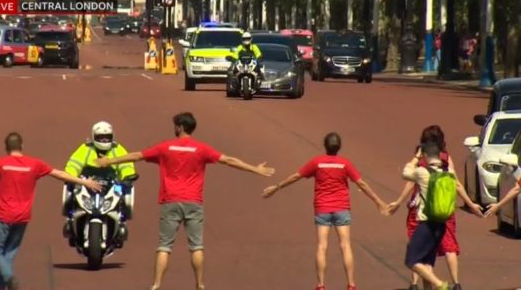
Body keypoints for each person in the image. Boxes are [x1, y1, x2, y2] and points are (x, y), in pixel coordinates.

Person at [95, 112, 275, 290]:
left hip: (170, 201)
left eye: (175, 125)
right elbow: (228, 160)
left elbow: (136, 156)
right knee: (196, 246)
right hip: (193, 202)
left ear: (180, 127)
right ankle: (199, 284)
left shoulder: (165, 148)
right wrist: (255, 169)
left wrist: (109, 161)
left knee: (164, 246)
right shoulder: (201, 149)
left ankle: (157, 284)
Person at [0, 132, 101, 290]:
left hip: (3, 216)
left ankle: (10, 279)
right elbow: (59, 174)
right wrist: (84, 182)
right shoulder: (34, 164)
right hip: (23, 218)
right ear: (22, 145)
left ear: (6, 147)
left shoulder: (1, 164)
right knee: (7, 256)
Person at [261, 132, 389, 290]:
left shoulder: (317, 162)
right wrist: (378, 201)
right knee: (345, 245)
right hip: (341, 208)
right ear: (339, 146)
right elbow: (361, 184)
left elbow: (296, 176)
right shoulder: (344, 164)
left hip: (322, 208)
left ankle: (321, 285)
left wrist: (277, 187)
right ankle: (351, 284)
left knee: (322, 246)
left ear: (325, 145)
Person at [388, 125, 483, 290]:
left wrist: (416, 158)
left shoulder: (422, 169)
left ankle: (439, 284)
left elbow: (407, 176)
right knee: (430, 258)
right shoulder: (448, 169)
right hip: (443, 217)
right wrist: (471, 204)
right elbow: (458, 186)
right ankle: (454, 283)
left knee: (412, 259)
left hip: (426, 219)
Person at [62, 121, 136, 241]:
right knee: (69, 190)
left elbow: (126, 165)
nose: (104, 141)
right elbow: (74, 164)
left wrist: (128, 176)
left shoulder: (118, 149)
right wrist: (71, 175)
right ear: (94, 137)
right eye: (101, 138)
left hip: (112, 184)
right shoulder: (85, 149)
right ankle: (69, 220)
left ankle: (123, 221)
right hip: (86, 182)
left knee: (127, 195)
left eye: (107, 138)